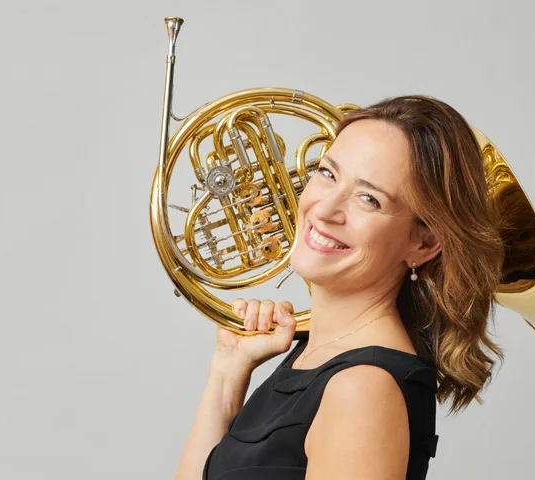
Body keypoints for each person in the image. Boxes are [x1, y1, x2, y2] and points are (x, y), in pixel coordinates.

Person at [174, 96, 506, 480]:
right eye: (327, 173)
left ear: (423, 243)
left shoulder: (362, 390)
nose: (324, 209)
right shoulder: (318, 358)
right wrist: (228, 370)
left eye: (369, 199)